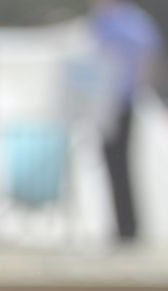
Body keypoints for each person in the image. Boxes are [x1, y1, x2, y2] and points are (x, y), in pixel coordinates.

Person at [91, 0, 161, 245]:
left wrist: (139, 88)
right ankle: (120, 225)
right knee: (111, 165)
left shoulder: (131, 20)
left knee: (122, 165)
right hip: (103, 103)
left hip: (123, 102)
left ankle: (128, 227)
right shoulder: (100, 21)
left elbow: (148, 53)